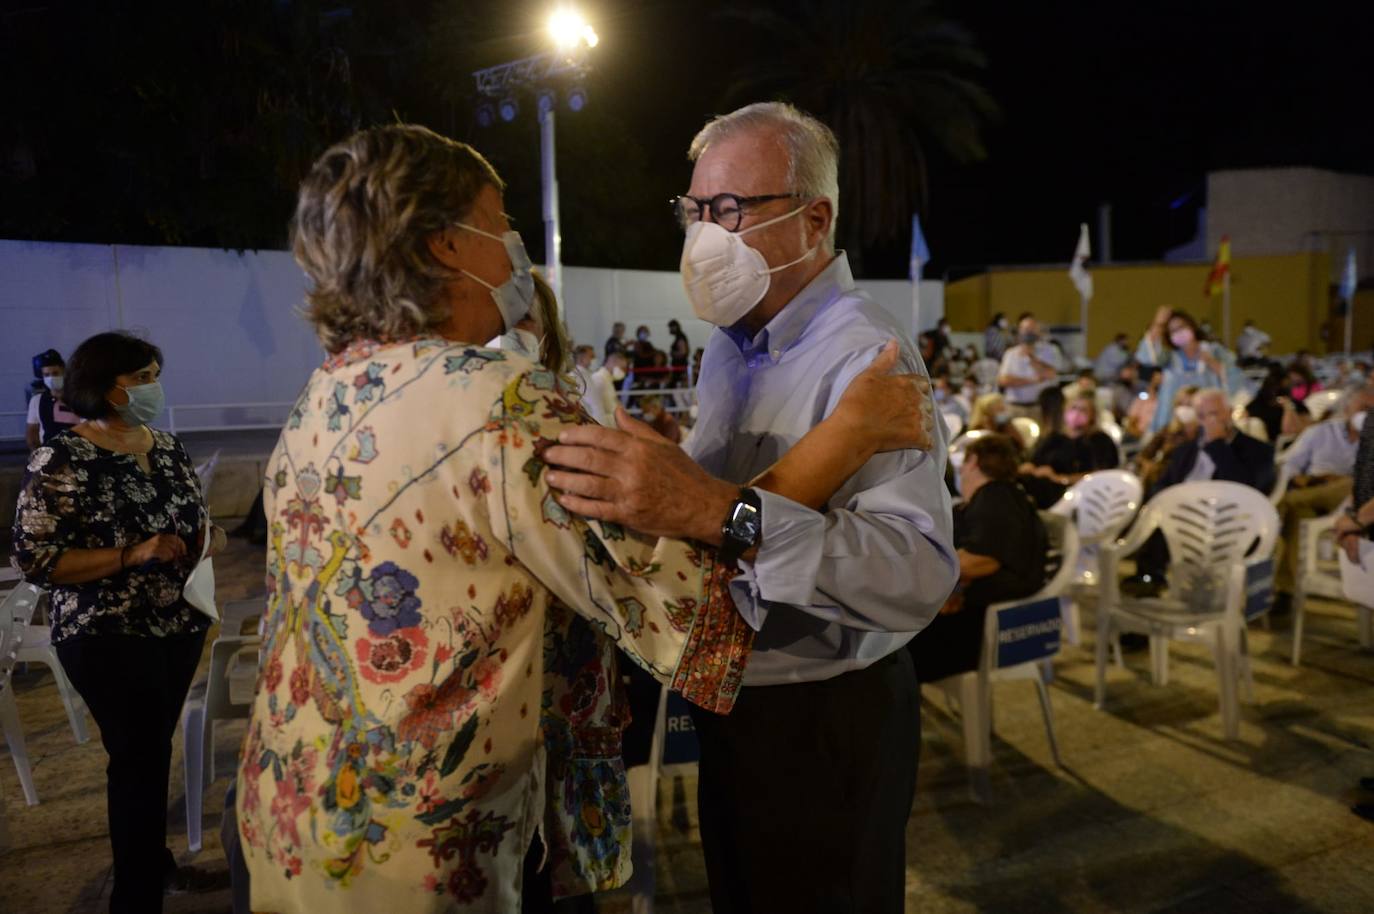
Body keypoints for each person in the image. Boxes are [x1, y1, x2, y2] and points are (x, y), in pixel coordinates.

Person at [235, 123, 934, 914]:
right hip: (431, 838)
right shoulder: (501, 400)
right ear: (444, 246)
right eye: (501, 223)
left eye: (729, 207)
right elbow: (699, 591)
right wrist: (841, 440)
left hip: (302, 806)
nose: (515, 248)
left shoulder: (326, 394)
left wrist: (684, 489)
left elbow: (896, 559)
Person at [546, 102, 955, 914]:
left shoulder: (865, 353)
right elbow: (710, 509)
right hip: (739, 698)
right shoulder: (732, 345)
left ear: (816, 219)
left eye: (732, 209)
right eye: (695, 210)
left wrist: (719, 511)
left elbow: (917, 569)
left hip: (828, 712)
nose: (706, 234)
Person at [12, 331, 227, 913]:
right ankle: (135, 898)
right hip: (105, 631)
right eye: (141, 379)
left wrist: (207, 539)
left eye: (156, 374)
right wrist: (131, 554)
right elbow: (36, 559)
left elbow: (193, 516)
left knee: (151, 750)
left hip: (178, 624)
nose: (153, 388)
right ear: (104, 388)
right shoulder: (61, 456)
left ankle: (153, 866)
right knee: (136, 756)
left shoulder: (168, 447)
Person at [909, 433, 1048, 680]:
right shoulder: (1003, 497)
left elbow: (983, 559)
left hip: (980, 633)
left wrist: (926, 581)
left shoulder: (995, 496)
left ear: (972, 461)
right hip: (976, 620)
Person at [1272, 385, 1373, 611]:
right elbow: (1288, 465)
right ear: (1348, 409)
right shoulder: (1320, 432)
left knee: (1350, 483)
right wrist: (1314, 480)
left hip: (1349, 502)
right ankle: (1288, 590)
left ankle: (1278, 511)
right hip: (1313, 492)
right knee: (1297, 518)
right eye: (1364, 408)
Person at [1147, 309, 1244, 435]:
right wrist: (1158, 323)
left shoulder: (1214, 350)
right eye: (1173, 331)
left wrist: (1212, 362)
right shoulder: (1170, 358)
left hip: (1209, 416)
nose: (1179, 332)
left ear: (1191, 326)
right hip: (1177, 420)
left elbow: (1235, 377)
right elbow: (1150, 355)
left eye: (1182, 327)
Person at [1020, 391, 1120, 509]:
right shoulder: (1054, 437)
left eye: (1083, 410)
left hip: (1076, 494)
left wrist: (1059, 478)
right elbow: (1034, 461)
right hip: (1041, 487)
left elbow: (1101, 474)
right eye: (1073, 408)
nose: (1077, 413)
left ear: (1092, 415)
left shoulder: (1100, 440)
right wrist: (1029, 467)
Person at [998, 315, 1063, 418]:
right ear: (1019, 331)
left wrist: (1031, 357)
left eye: (1032, 329)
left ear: (1038, 331)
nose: (1028, 333)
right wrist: (1033, 380)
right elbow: (1003, 381)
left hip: (1039, 408)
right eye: (1025, 329)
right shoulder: (1010, 353)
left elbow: (1050, 374)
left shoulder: (1049, 350)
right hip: (1014, 408)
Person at [25, 348, 79, 450]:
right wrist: (37, 454)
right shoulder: (37, 401)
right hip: (49, 453)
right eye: (46, 375)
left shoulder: (79, 398)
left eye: (55, 373)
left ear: (64, 372)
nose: (51, 378)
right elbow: (32, 431)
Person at [584, 350, 627, 425]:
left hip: (612, 420)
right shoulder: (599, 378)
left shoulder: (607, 378)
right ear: (612, 362)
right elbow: (598, 406)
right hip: (604, 421)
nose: (623, 371)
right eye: (622, 368)